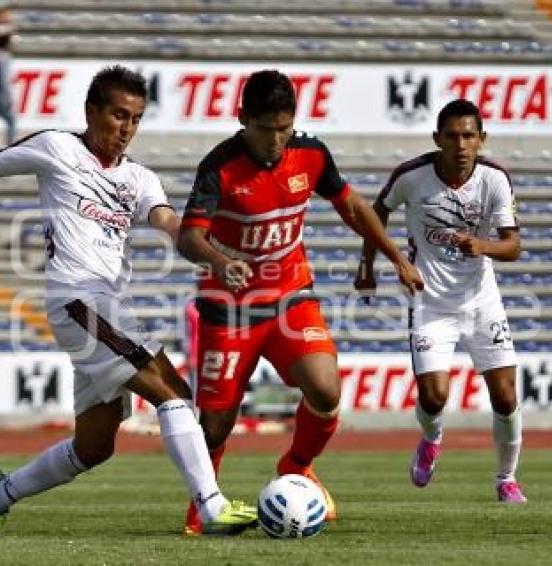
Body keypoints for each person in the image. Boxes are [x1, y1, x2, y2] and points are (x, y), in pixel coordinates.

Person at [0, 65, 258, 535]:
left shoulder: (141, 179)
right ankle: (211, 508)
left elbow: (171, 224)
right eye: (117, 115)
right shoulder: (57, 148)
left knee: (94, 447)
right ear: (91, 111)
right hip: (78, 298)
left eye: (135, 118)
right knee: (173, 393)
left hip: (104, 307)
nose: (125, 128)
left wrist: (212, 255)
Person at [176, 69, 424, 535]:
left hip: (291, 295)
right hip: (228, 310)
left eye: (284, 129)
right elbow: (190, 238)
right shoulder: (219, 166)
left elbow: (351, 206)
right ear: (243, 118)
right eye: (266, 129)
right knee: (215, 425)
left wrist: (395, 259)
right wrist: (218, 260)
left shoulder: (311, 153)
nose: (276, 140)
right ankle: (204, 508)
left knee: (326, 389)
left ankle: (296, 466)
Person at [356, 98, 526, 504]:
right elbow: (374, 214)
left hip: (483, 300)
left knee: (505, 397)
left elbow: (514, 246)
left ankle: (506, 478)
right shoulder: (411, 177)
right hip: (430, 302)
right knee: (434, 397)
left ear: (481, 139)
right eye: (452, 136)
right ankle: (432, 438)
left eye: (469, 135)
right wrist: (368, 265)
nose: (461, 144)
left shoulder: (495, 179)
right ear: (437, 139)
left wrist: (481, 245)